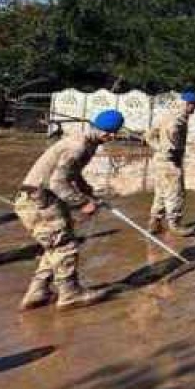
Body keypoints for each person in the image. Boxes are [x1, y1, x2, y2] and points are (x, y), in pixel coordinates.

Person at [15, 109, 125, 310]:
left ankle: (38, 291)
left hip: (42, 198)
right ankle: (69, 294)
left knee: (56, 246)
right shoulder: (79, 146)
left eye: (115, 133)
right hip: (40, 201)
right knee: (64, 246)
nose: (112, 137)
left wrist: (87, 191)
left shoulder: (86, 142)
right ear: (102, 130)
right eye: (110, 133)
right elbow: (58, 182)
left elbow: (72, 173)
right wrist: (82, 202)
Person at [146, 91, 195, 237]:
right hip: (170, 161)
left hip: (160, 160)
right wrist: (171, 148)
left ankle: (154, 221)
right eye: (194, 106)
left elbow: (149, 136)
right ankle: (174, 224)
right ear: (188, 104)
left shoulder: (167, 114)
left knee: (161, 192)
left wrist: (159, 148)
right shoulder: (178, 118)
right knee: (175, 192)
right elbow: (172, 129)